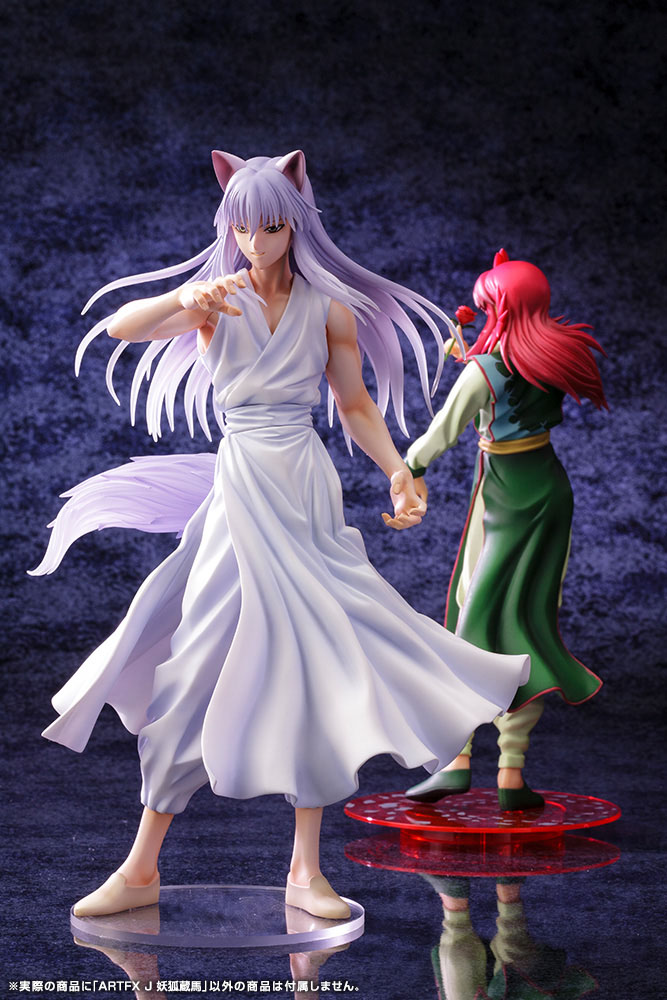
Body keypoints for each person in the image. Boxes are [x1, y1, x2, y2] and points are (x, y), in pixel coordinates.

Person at [33, 154, 529, 920]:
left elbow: (354, 404)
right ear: (227, 226)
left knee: (313, 665)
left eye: (270, 226)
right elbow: (123, 329)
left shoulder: (327, 309)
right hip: (239, 492)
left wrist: (397, 471)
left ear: (294, 224)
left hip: (302, 490)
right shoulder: (215, 300)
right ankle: (139, 868)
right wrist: (184, 296)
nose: (255, 241)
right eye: (242, 227)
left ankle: (304, 871)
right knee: (195, 663)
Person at [404, 251, 606, 810]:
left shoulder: (484, 372)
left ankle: (457, 761)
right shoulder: (554, 355)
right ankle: (510, 773)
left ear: (500, 308)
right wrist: (471, 355)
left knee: (475, 621)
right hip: (546, 490)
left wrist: (408, 468)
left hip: (505, 497)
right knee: (528, 622)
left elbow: (441, 434)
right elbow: (507, 373)